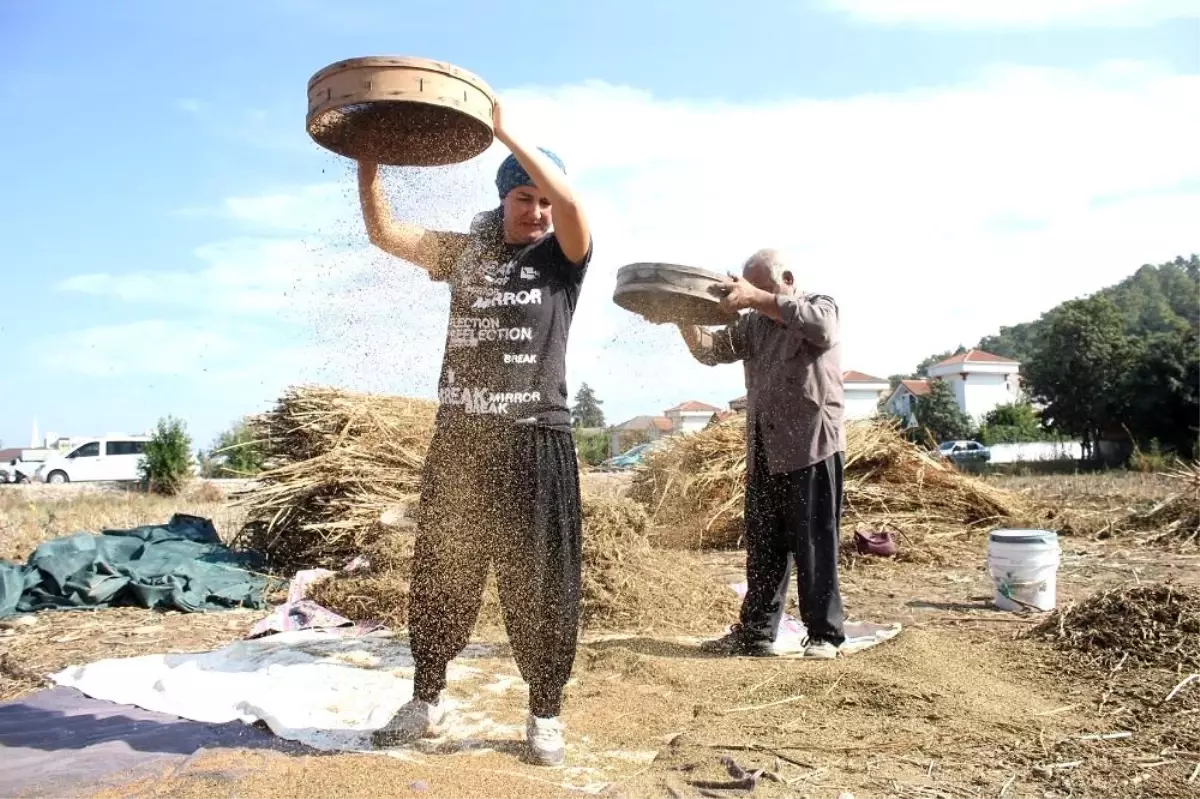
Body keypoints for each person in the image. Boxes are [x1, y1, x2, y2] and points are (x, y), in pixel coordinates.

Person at [356, 99, 592, 766]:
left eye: (544, 199)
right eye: (526, 197)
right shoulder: (464, 253)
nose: (538, 211)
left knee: (540, 583)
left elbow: (575, 210)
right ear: (503, 197)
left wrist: (505, 131)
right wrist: (367, 156)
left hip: (535, 442)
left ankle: (544, 711)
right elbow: (385, 232)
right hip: (462, 444)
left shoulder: (562, 261)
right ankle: (425, 697)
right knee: (443, 573)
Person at [678, 249, 847, 660]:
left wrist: (753, 297)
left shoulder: (818, 307)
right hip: (766, 448)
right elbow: (711, 351)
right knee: (764, 545)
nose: (751, 296)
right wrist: (680, 316)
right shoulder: (754, 327)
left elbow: (823, 328)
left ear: (786, 279)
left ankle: (824, 635)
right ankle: (756, 633)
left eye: (759, 288)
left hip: (811, 445)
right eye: (749, 289)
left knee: (814, 543)